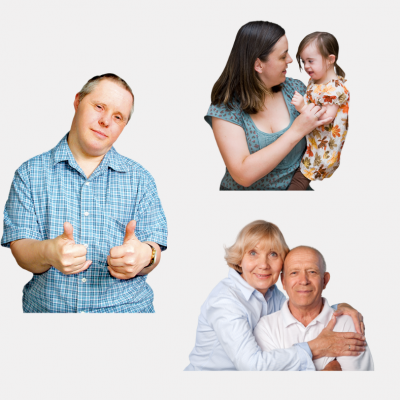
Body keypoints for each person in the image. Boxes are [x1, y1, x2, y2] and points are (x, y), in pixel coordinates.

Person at [1, 73, 168, 313]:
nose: (106, 121)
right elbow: (21, 250)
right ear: (78, 101)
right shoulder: (29, 173)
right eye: (99, 106)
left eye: (118, 117)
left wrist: (145, 256)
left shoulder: (141, 179)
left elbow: (154, 248)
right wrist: (48, 251)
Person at [184, 221, 366, 371]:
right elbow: (252, 366)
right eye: (253, 253)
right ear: (240, 259)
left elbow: (303, 305)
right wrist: (315, 348)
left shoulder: (271, 294)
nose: (263, 264)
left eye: (273, 254)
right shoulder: (225, 301)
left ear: (282, 265)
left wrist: (341, 307)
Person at [205, 21, 334, 190]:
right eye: (282, 56)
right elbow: (243, 175)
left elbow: (322, 139)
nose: (290, 60)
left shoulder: (296, 89)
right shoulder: (226, 107)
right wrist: (297, 130)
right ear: (258, 65)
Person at [254, 246, 373, 370]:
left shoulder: (347, 323)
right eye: (294, 272)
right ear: (283, 281)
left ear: (325, 281)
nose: (304, 281)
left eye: (312, 272)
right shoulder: (266, 328)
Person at [288, 32, 350, 190]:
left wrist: (302, 108)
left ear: (330, 60)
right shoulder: (315, 81)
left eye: (310, 61)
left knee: (300, 178)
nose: (306, 66)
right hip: (312, 140)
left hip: (323, 149)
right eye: (303, 61)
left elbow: (326, 118)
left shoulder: (334, 89)